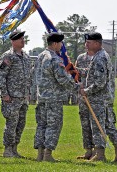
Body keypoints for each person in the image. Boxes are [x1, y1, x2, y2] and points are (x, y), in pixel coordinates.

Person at [34, 32, 80, 162]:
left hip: (41, 97)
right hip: (53, 98)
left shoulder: (40, 56)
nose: (61, 46)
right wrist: (77, 87)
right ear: (55, 44)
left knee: (41, 125)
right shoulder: (54, 59)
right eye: (60, 43)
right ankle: (47, 155)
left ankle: (40, 155)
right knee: (53, 126)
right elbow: (62, 79)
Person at [0, 30, 31, 158]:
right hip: (11, 97)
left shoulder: (25, 56)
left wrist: (28, 93)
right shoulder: (8, 56)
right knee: (11, 123)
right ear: (13, 41)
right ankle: (8, 150)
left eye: (23, 38)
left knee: (21, 123)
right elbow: (0, 76)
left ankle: (15, 149)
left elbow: (28, 77)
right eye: (20, 39)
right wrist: (4, 94)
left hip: (23, 97)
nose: (23, 41)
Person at [79, 32, 112, 161]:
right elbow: (91, 72)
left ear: (97, 43)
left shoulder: (100, 57)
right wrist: (76, 70)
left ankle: (100, 154)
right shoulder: (97, 56)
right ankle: (91, 152)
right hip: (93, 98)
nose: (86, 45)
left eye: (89, 42)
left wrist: (86, 90)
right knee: (90, 125)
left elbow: (100, 82)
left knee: (97, 126)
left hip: (97, 98)